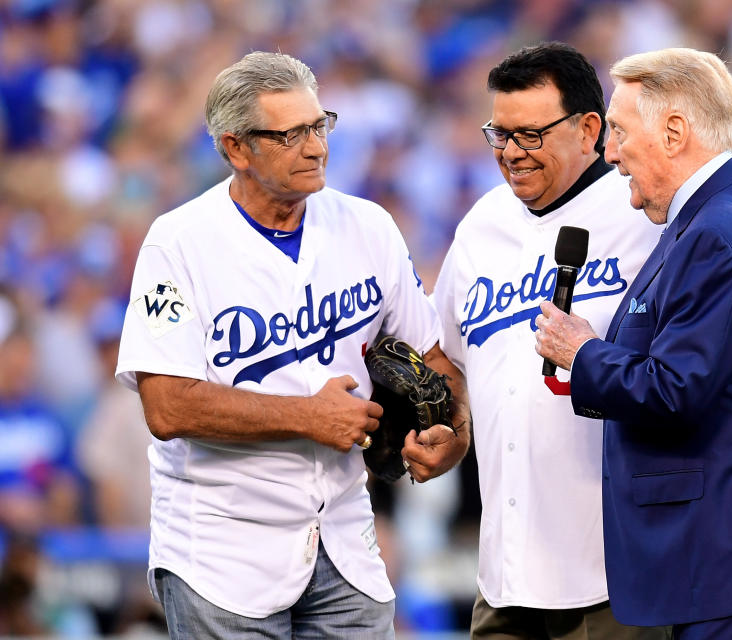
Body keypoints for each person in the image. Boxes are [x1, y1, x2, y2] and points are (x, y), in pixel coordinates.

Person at [434, 42, 732, 640]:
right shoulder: (480, 225)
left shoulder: (651, 211)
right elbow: (446, 352)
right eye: (499, 134)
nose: (512, 153)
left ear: (588, 129)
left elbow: (729, 287)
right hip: (507, 572)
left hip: (625, 570)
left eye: (531, 135)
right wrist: (451, 423)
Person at [115, 51, 469, 639]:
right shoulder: (177, 244)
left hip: (345, 535)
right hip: (222, 550)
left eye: (319, 125)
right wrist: (307, 416)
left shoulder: (367, 226)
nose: (316, 147)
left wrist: (453, 435)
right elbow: (167, 406)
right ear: (235, 149)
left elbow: (432, 358)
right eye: (291, 134)